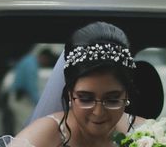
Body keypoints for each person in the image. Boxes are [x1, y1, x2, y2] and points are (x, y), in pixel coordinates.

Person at [10, 22, 144, 147]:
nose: (98, 112)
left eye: (112, 100)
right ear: (70, 93)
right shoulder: (42, 135)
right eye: (86, 99)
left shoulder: (147, 133)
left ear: (126, 95)